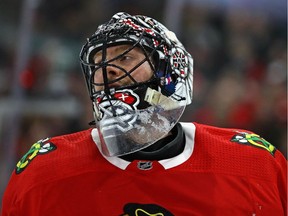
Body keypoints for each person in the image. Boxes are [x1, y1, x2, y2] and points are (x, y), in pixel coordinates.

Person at [1, 12, 287, 216]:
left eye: (124, 57)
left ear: (171, 73)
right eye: (97, 64)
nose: (105, 71)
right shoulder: (43, 173)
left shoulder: (254, 164)